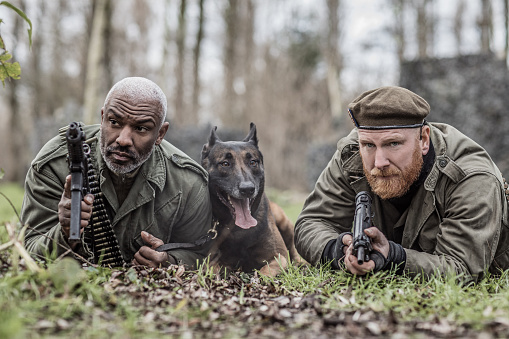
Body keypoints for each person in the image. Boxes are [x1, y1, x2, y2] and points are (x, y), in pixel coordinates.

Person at [294, 86, 509, 283]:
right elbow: (312, 222)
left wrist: (392, 258)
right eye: (368, 145)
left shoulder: (471, 177)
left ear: (424, 140)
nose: (379, 162)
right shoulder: (352, 155)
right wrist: (340, 251)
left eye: (393, 144)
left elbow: (462, 268)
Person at [21, 77, 213, 269]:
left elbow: (202, 254)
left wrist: (169, 261)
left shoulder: (188, 183)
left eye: (141, 128)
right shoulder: (55, 165)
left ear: (160, 134)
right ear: (103, 117)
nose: (123, 140)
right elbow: (28, 252)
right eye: (114, 122)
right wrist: (64, 232)